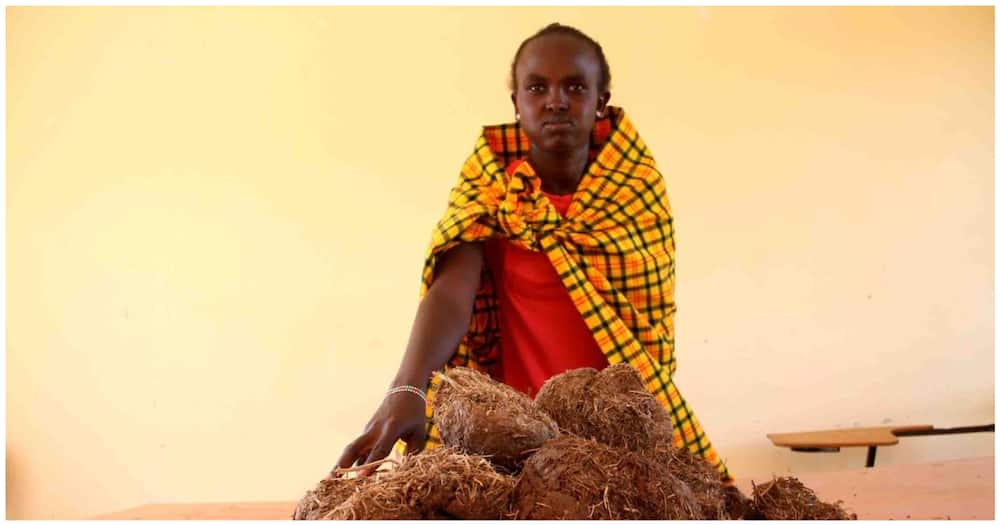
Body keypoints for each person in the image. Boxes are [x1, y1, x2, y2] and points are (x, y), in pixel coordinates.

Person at [334, 22, 731, 481]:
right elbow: (451, 289)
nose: (556, 100)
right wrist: (408, 386)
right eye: (537, 87)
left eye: (575, 86)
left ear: (601, 102)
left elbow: (649, 331)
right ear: (517, 104)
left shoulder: (635, 190)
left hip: (614, 439)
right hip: (511, 435)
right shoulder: (492, 187)